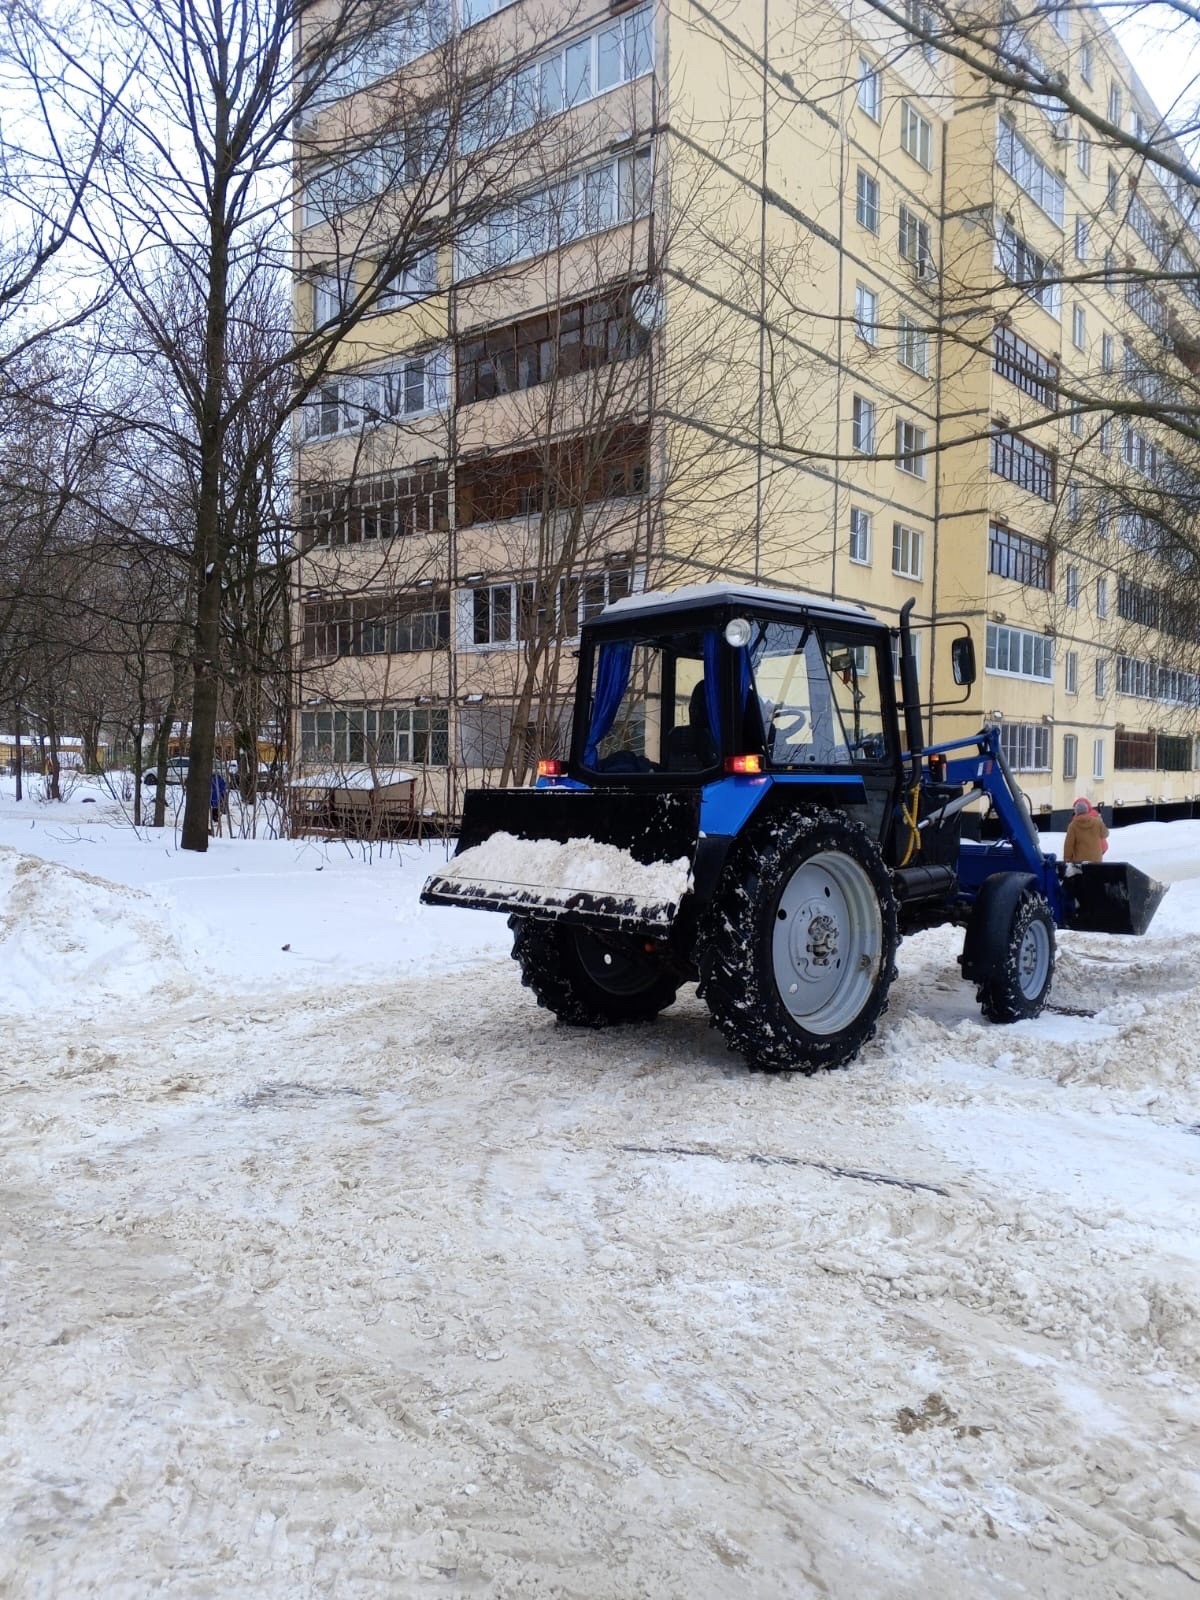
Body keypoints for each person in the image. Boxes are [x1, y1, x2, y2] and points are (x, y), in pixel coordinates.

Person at [1064, 797, 1108, 864]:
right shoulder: (1097, 822)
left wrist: (1067, 859)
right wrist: (1101, 822)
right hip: (1096, 860)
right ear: (1087, 810)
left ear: (1076, 812)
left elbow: (1069, 845)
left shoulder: (1073, 825)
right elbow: (1105, 834)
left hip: (1080, 862)